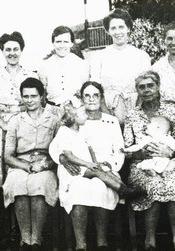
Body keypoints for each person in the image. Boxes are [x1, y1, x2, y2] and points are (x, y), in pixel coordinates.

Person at [49, 81, 127, 251]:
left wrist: (110, 166)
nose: (91, 99)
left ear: (101, 97)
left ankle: (101, 241)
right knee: (78, 187)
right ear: (82, 98)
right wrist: (63, 159)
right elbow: (55, 147)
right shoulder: (74, 120)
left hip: (105, 169)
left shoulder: (111, 121)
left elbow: (119, 151)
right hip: (75, 168)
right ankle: (81, 243)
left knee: (100, 186)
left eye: (95, 95)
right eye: (87, 95)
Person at [123, 70, 175, 251]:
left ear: (158, 87)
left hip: (168, 164)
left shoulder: (171, 112)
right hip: (141, 166)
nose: (147, 90)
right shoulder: (132, 115)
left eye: (150, 85)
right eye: (142, 87)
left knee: (174, 182)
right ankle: (150, 238)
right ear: (137, 90)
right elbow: (127, 149)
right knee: (154, 184)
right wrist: (140, 154)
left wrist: (168, 152)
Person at [3, 78, 59, 251]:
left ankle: (36, 239)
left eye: (33, 96)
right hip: (21, 164)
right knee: (18, 183)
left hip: (45, 164)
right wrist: (26, 167)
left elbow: (59, 151)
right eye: (25, 96)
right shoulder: (15, 120)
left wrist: (43, 165)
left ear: (42, 96)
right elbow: (8, 156)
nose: (29, 100)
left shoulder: (53, 119)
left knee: (39, 184)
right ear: (21, 97)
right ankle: (25, 238)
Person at [51, 105, 146, 199]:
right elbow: (69, 156)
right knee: (97, 171)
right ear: (73, 118)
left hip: (86, 165)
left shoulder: (82, 130)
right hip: (76, 168)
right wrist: (88, 164)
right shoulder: (65, 132)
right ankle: (121, 190)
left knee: (105, 169)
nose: (86, 116)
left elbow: (90, 149)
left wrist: (95, 163)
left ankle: (125, 188)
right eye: (83, 114)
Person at [0, 31, 37, 187]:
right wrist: (6, 127)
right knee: (4, 170)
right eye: (8, 50)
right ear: (2, 51)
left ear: (21, 51)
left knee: (25, 167)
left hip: (26, 126)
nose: (12, 53)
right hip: (4, 128)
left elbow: (36, 102)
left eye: (16, 49)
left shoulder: (30, 75)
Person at [90, 8, 151, 126]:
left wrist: (136, 113)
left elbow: (146, 87)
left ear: (128, 28)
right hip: (108, 110)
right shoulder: (99, 56)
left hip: (136, 109)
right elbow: (95, 88)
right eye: (113, 28)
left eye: (121, 27)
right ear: (108, 31)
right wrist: (105, 112)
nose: (118, 32)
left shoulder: (141, 56)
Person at [38, 25, 89, 108]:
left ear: (71, 43)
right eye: (58, 42)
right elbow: (43, 92)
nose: (62, 46)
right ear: (53, 43)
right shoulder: (44, 65)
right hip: (53, 110)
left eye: (65, 42)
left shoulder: (82, 64)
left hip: (76, 109)